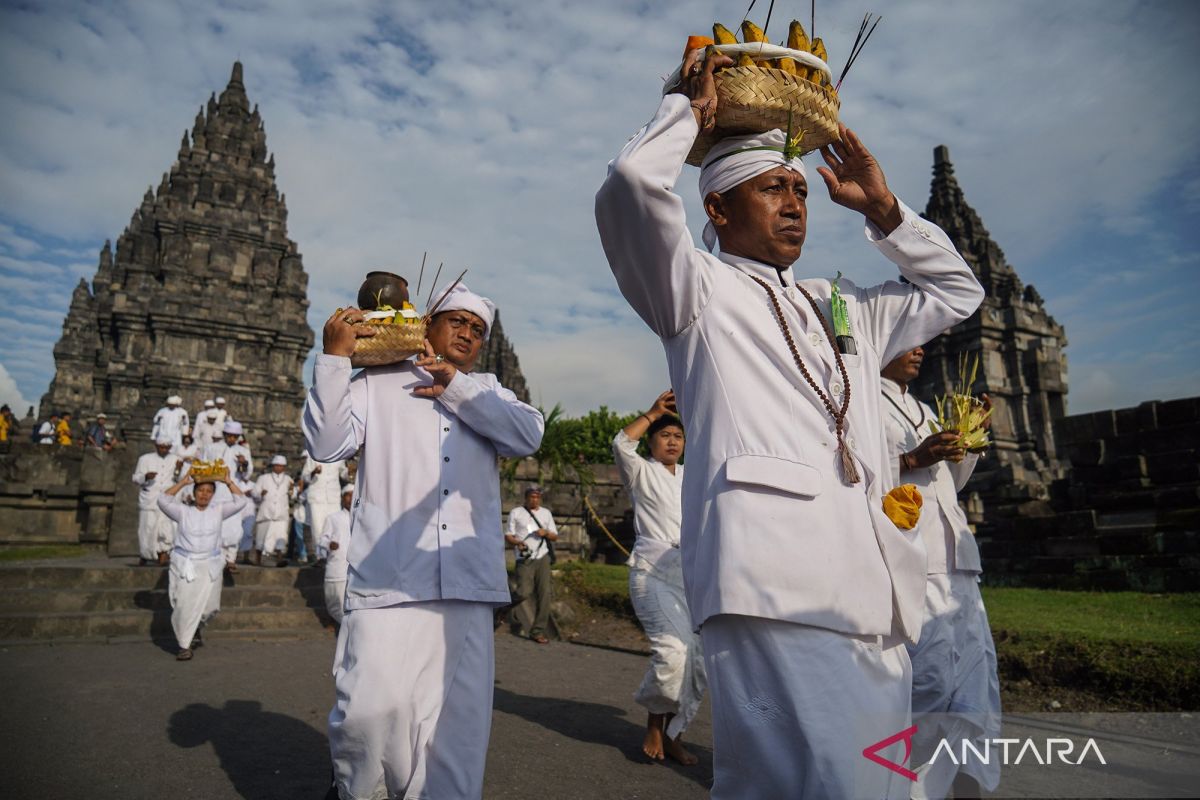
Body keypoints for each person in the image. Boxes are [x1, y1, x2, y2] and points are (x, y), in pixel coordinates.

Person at [594, 47, 985, 799]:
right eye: (771, 187)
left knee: (842, 786)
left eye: (799, 188)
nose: (794, 201)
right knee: (828, 784)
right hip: (771, 576)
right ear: (716, 207)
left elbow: (956, 291)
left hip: (873, 583)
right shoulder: (695, 293)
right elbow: (632, 189)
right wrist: (688, 114)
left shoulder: (840, 306)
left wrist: (884, 210)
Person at [303, 280, 543, 800]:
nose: (468, 334)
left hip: (467, 590)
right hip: (388, 579)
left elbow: (528, 435)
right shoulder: (376, 384)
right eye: (457, 321)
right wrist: (334, 361)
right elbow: (325, 445)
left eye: (477, 330)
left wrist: (457, 386)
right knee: (365, 714)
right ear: (425, 325)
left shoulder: (490, 391)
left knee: (455, 734)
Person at [880, 346, 1001, 798]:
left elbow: (952, 481)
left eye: (923, 341)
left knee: (975, 681)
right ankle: (901, 786)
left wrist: (968, 441)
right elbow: (851, 476)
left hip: (958, 560)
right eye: (908, 339)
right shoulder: (862, 403)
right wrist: (911, 460)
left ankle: (965, 786)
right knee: (929, 681)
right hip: (917, 557)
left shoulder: (926, 409)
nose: (920, 349)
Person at [612, 389, 706, 765]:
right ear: (652, 441)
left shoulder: (692, 476)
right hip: (651, 575)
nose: (672, 441)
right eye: (665, 435)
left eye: (678, 436)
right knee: (672, 652)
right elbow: (621, 443)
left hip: (690, 578)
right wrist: (653, 413)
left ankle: (674, 733)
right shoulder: (640, 471)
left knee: (697, 659)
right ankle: (654, 720)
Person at [157, 469, 247, 660]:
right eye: (201, 490)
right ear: (194, 492)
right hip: (185, 564)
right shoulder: (182, 511)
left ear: (213, 494)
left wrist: (228, 482)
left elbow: (241, 501)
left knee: (210, 607)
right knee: (183, 606)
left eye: (208, 491)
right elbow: (162, 501)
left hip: (210, 565)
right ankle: (184, 645)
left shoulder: (218, 510)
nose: (204, 494)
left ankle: (196, 627)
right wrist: (183, 482)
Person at [504, 486, 558, 644]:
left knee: (544, 594)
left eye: (537, 497)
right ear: (526, 498)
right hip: (524, 557)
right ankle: (504, 609)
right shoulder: (516, 513)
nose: (535, 500)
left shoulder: (546, 513)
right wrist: (517, 543)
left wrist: (545, 533)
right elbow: (508, 535)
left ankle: (537, 631)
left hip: (542, 556)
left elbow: (554, 536)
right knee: (524, 592)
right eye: (532, 497)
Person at [198, 420, 254, 569]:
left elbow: (246, 476)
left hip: (232, 494)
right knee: (214, 527)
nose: (232, 439)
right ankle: (213, 556)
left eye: (235, 436)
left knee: (234, 528)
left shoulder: (243, 451)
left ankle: (231, 559)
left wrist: (244, 464)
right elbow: (202, 469)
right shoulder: (210, 448)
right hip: (214, 494)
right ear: (224, 435)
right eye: (229, 436)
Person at [133, 437, 179, 565]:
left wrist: (178, 469)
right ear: (156, 445)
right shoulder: (145, 459)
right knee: (147, 528)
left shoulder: (175, 459)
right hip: (150, 499)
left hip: (167, 498)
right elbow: (136, 478)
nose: (163, 450)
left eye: (166, 447)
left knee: (166, 528)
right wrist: (145, 476)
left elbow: (178, 479)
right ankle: (145, 555)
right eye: (161, 447)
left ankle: (163, 554)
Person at [317, 485, 355, 626]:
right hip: (337, 567)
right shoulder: (333, 518)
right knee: (334, 605)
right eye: (348, 495)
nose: (350, 498)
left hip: (357, 570)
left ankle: (349, 632)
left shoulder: (363, 518)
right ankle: (347, 628)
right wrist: (329, 544)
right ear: (342, 497)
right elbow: (322, 540)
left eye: (353, 494)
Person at [303, 453, 345, 564]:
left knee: (334, 527)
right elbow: (305, 477)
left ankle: (333, 556)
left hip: (333, 497)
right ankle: (320, 557)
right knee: (318, 529)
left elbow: (344, 473)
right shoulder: (313, 456)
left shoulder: (338, 456)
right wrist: (314, 472)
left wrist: (350, 471)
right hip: (317, 498)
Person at [252, 455, 294, 565]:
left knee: (280, 536)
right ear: (272, 466)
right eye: (276, 465)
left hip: (281, 512)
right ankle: (258, 559)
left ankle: (279, 559)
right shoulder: (263, 478)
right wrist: (260, 494)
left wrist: (293, 491)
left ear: (284, 467)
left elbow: (293, 495)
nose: (278, 468)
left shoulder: (288, 479)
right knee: (261, 537)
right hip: (266, 511)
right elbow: (254, 493)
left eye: (280, 466)